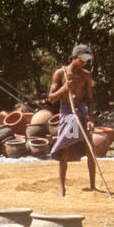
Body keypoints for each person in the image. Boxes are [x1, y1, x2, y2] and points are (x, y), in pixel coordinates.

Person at [47, 44, 98, 197]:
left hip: (81, 111)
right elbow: (51, 98)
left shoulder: (86, 75)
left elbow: (90, 99)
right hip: (67, 111)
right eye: (81, 60)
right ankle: (62, 188)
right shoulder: (60, 74)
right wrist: (63, 89)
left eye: (86, 61)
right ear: (74, 58)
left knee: (90, 148)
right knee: (65, 149)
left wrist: (90, 118)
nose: (84, 64)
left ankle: (93, 185)